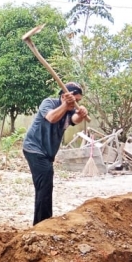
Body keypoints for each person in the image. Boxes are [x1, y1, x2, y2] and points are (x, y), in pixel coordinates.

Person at [23, 82, 88, 225]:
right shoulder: (48, 103)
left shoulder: (70, 111)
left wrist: (81, 114)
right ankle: (43, 224)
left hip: (47, 153)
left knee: (44, 186)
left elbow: (74, 120)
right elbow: (52, 117)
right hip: (34, 148)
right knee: (45, 185)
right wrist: (65, 105)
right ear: (64, 96)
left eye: (79, 101)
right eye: (75, 100)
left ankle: (42, 223)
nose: (76, 103)